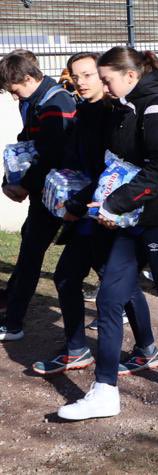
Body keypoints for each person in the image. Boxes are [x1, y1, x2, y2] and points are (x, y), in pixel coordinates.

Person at [57, 48, 158, 420]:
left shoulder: (156, 108)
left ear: (130, 76)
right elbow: (118, 167)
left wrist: (116, 204)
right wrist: (85, 202)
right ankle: (105, 391)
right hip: (133, 221)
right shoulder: (125, 108)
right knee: (111, 298)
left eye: (107, 78)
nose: (103, 86)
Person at [33, 52, 155, 375]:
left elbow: (114, 170)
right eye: (77, 76)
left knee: (111, 281)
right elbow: (78, 161)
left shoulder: (114, 113)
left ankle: (142, 349)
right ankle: (89, 349)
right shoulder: (81, 111)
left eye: (89, 75)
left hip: (107, 214)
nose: (83, 82)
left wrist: (83, 201)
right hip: (87, 213)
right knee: (78, 277)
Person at [0, 51, 77, 341]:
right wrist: (10, 178)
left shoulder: (57, 102)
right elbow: (26, 144)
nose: (13, 95)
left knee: (34, 250)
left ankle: (14, 322)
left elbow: (52, 152)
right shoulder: (36, 101)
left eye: (14, 89)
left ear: (29, 78)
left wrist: (24, 184)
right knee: (31, 245)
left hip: (57, 192)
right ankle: (13, 308)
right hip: (45, 190)